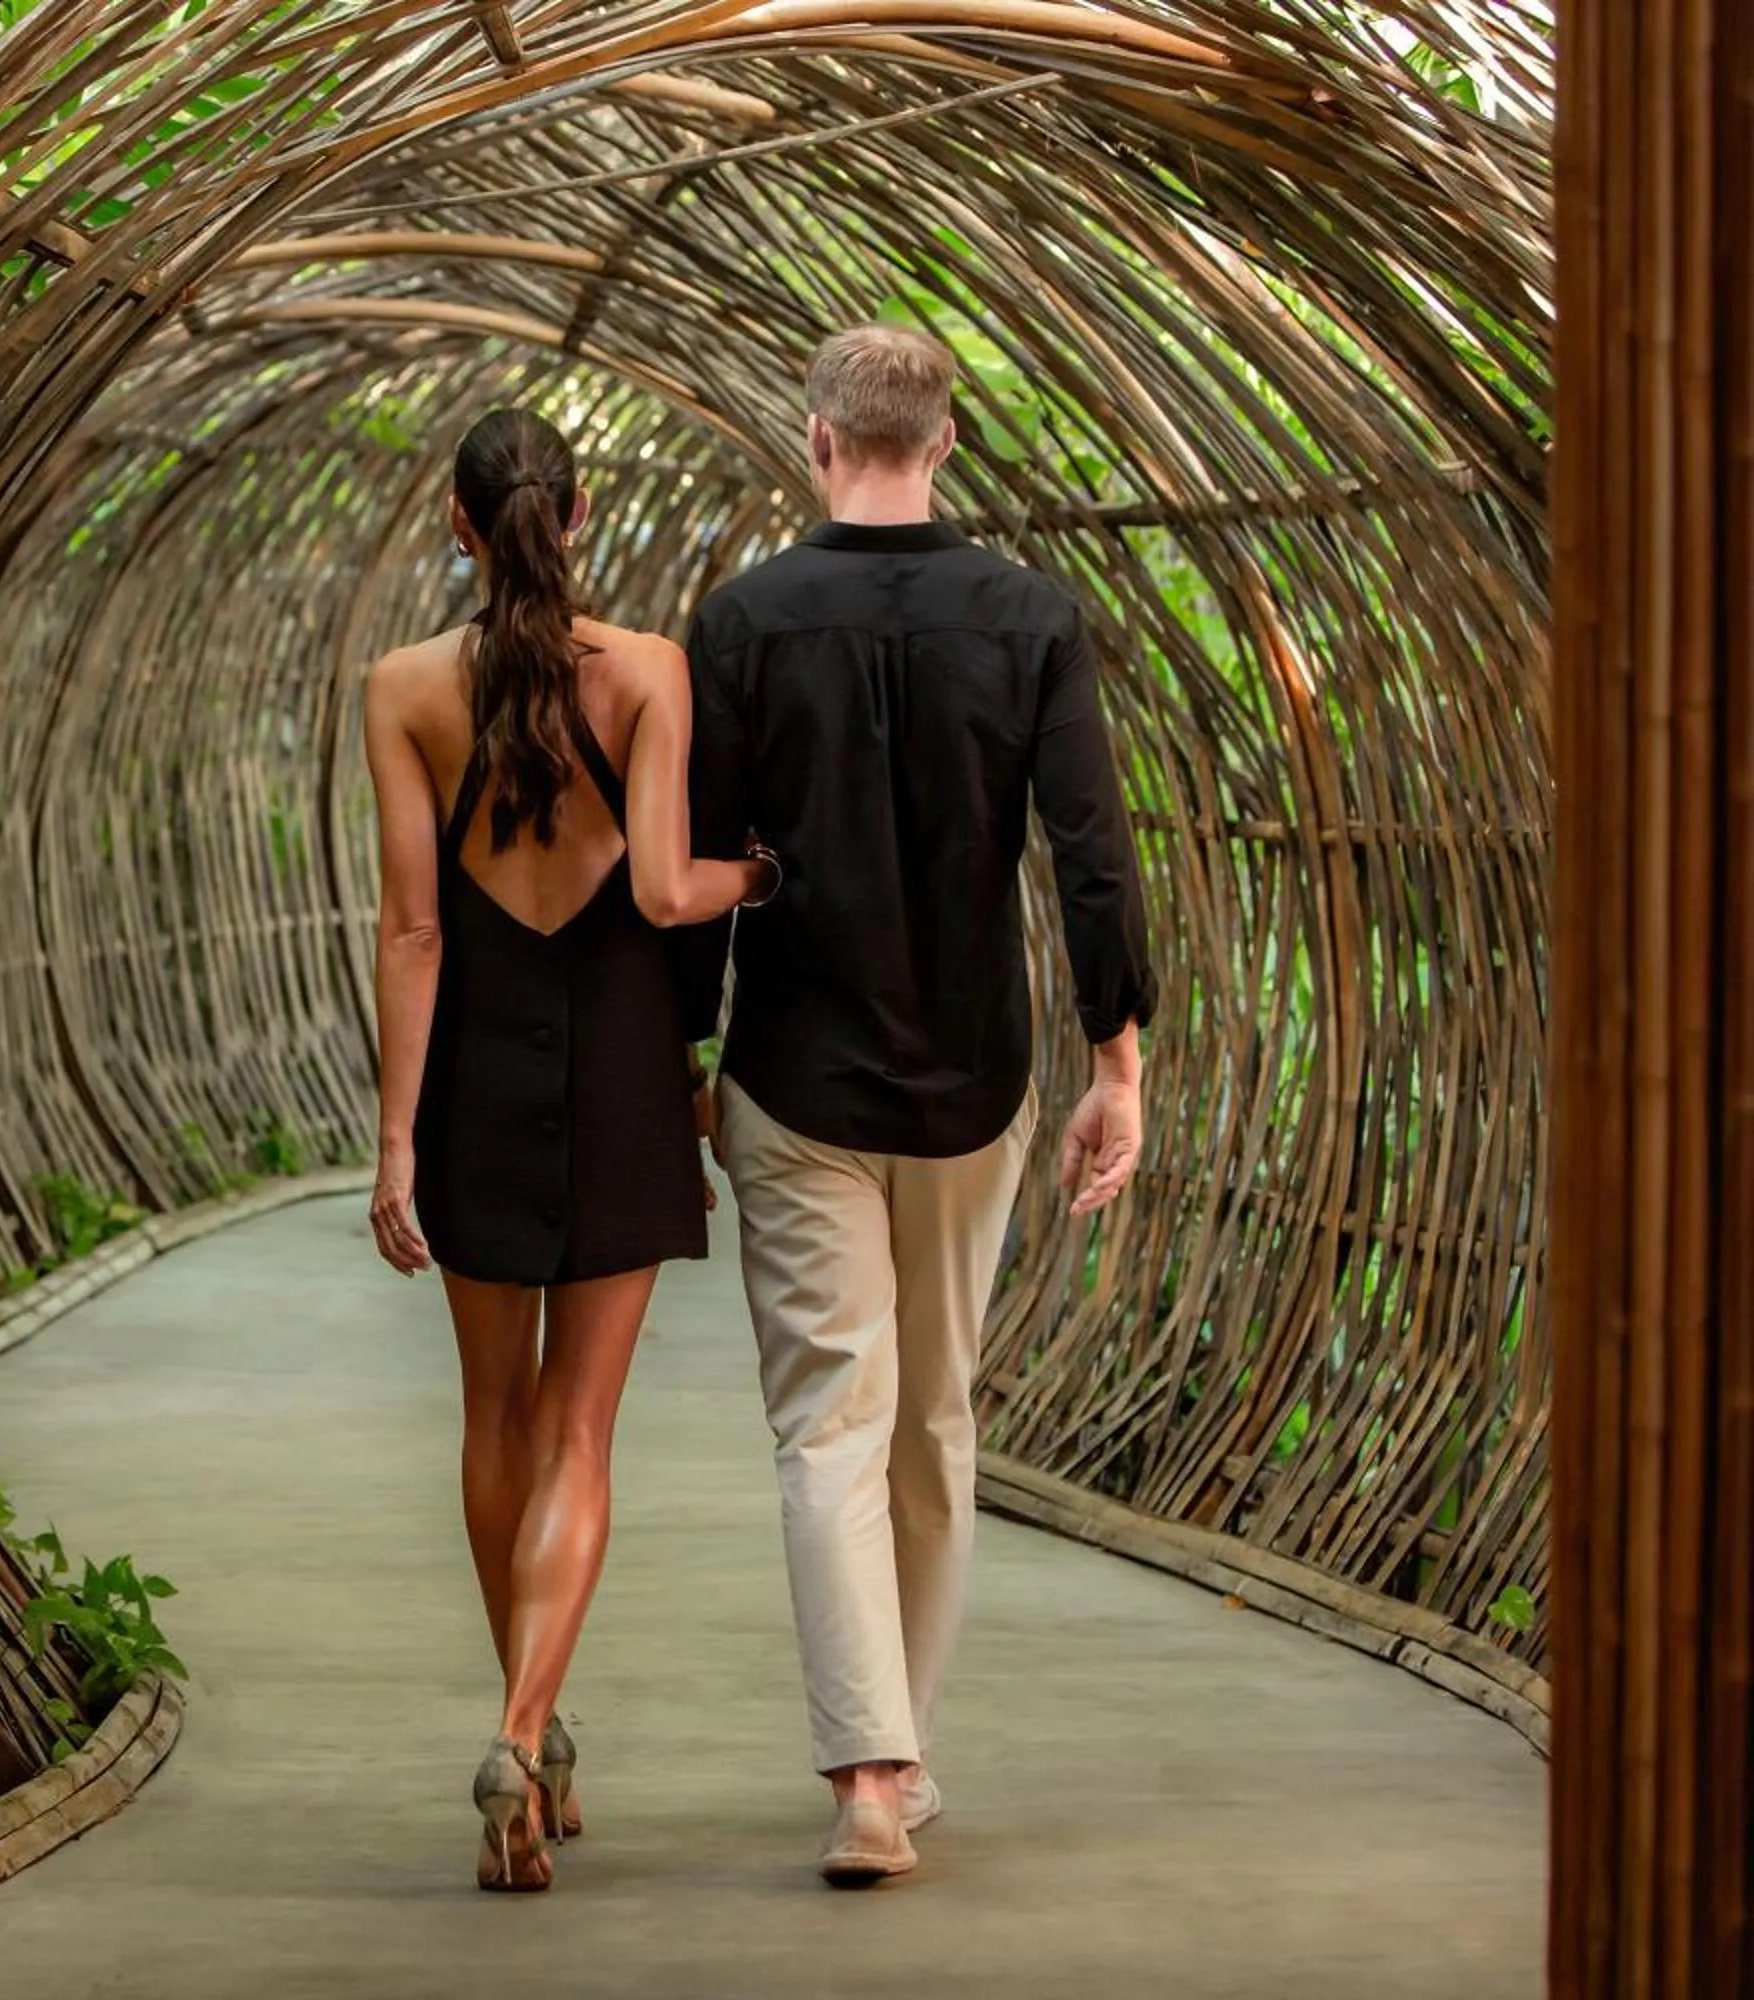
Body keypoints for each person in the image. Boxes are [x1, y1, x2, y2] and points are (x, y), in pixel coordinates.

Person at [677, 324, 1158, 1887]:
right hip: (971, 1079)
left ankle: (865, 1773)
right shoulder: (1029, 618)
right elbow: (1091, 848)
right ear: (942, 444)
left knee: (829, 1425)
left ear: (818, 440)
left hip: (796, 1076)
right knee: (933, 1425)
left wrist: (691, 1056)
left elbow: (690, 865)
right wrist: (1115, 1062)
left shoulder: (740, 621)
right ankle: (904, 1755)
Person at [362, 407, 771, 1893]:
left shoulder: (404, 687)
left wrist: (398, 1139)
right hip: (618, 1068)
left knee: (496, 1419)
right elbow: (667, 897)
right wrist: (766, 871)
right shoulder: (650, 672)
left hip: (473, 1064)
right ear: (577, 514)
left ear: (461, 528)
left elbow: (414, 930)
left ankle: (529, 1738)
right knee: (583, 1433)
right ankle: (522, 1730)